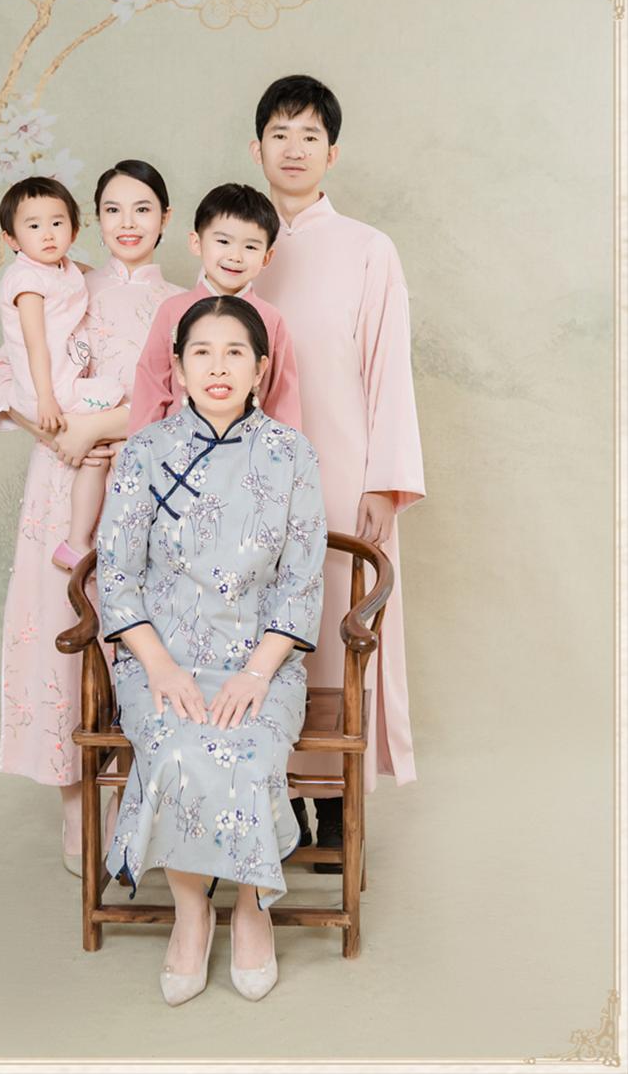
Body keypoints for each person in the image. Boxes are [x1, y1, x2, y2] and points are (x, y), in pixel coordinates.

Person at [98, 295, 326, 1005]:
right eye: (201, 352)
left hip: (264, 663)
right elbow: (116, 574)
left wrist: (257, 673)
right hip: (160, 658)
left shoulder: (292, 454)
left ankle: (253, 905)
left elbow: (302, 580)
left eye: (235, 353)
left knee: (250, 754)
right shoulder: (143, 452)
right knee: (173, 749)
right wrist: (160, 666)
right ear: (178, 366)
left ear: (262, 368)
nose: (218, 367)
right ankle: (192, 911)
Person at [249, 74, 425, 867]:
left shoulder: (366, 248)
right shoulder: (239, 241)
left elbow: (390, 371)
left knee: (334, 625)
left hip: (342, 466)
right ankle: (269, 792)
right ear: (257, 148)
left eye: (309, 136)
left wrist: (384, 481)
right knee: (257, 623)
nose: (294, 149)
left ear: (332, 153)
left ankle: (334, 797)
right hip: (249, 478)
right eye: (279, 134)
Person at [0, 161, 184, 874]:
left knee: (141, 643)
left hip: (149, 486)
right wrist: (56, 434)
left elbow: (185, 401)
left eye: (143, 208)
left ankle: (140, 812)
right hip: (62, 479)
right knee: (64, 641)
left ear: (166, 219)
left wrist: (99, 425)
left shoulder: (183, 303)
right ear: (94, 221)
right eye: (113, 209)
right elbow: (8, 373)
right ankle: (77, 815)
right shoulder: (64, 282)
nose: (128, 223)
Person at [0, 176, 126, 572]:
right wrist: (47, 398)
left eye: (57, 223)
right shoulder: (26, 281)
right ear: (11, 239)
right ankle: (78, 541)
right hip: (47, 389)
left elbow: (81, 275)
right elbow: (35, 344)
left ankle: (77, 541)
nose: (48, 234)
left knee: (95, 457)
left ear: (74, 229)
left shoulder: (62, 267)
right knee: (116, 397)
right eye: (33, 226)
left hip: (58, 386)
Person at [128, 182, 302, 433]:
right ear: (196, 243)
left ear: (266, 257)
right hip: (177, 447)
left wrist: (286, 451)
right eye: (223, 241)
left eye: (250, 246)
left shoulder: (271, 319)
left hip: (250, 449)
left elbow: (283, 397)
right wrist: (141, 448)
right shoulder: (172, 310)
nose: (235, 256)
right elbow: (151, 386)